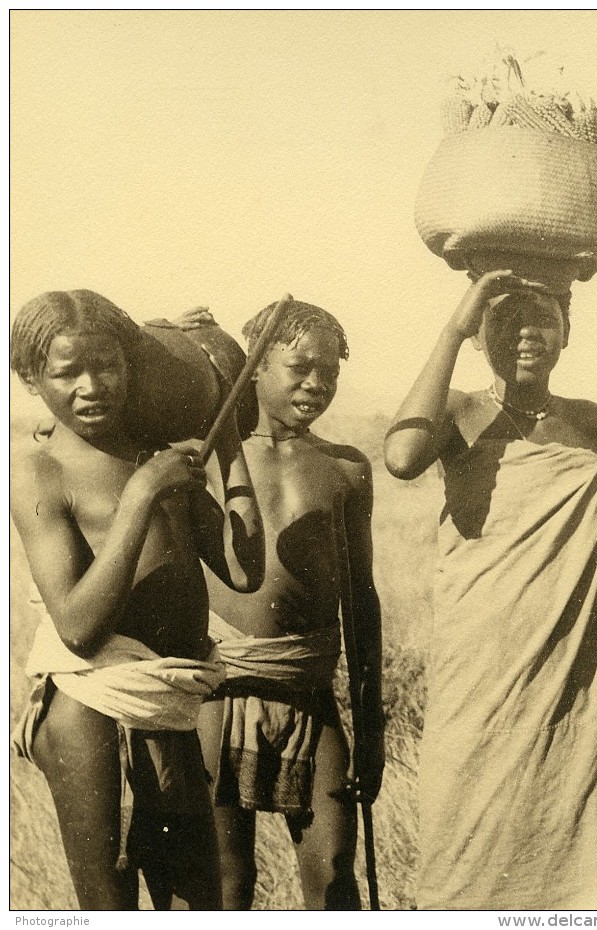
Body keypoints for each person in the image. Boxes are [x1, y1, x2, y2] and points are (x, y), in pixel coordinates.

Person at [384, 270, 597, 910]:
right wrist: (454, 326)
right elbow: (401, 459)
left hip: (572, 652)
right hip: (481, 647)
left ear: (568, 331)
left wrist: (580, 562)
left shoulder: (588, 421)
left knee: (574, 796)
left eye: (544, 318)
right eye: (505, 319)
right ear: (480, 335)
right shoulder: (459, 410)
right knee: (468, 805)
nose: (527, 333)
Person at [10, 289, 264, 910]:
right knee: (109, 907)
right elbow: (76, 626)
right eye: (67, 373)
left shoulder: (154, 456)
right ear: (31, 380)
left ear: (133, 366)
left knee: (198, 902)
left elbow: (244, 568)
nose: (91, 386)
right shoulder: (39, 472)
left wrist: (225, 437)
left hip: (168, 706)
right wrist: (143, 494)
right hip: (91, 709)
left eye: (108, 366)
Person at [191, 299, 384, 910]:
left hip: (307, 689)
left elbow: (361, 601)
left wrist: (370, 727)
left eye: (329, 370)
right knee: (226, 881)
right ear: (254, 367)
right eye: (300, 366)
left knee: (331, 870)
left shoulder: (346, 469)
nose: (317, 383)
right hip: (218, 690)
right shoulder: (206, 462)